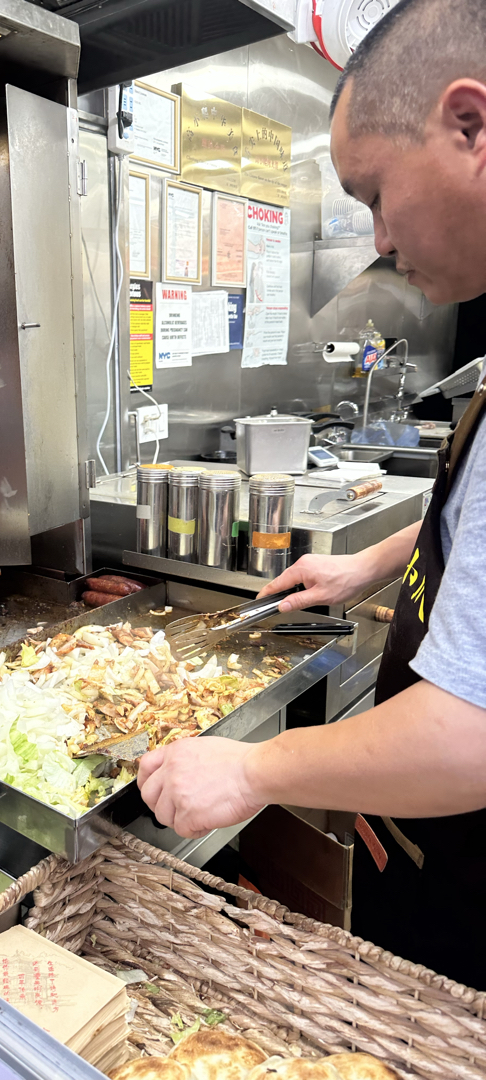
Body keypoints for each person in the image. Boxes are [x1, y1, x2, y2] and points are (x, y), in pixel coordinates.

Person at [138, 0, 486, 987]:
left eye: (374, 193)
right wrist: (368, 563)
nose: (376, 236)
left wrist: (249, 769)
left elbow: (470, 733)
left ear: (470, 125)